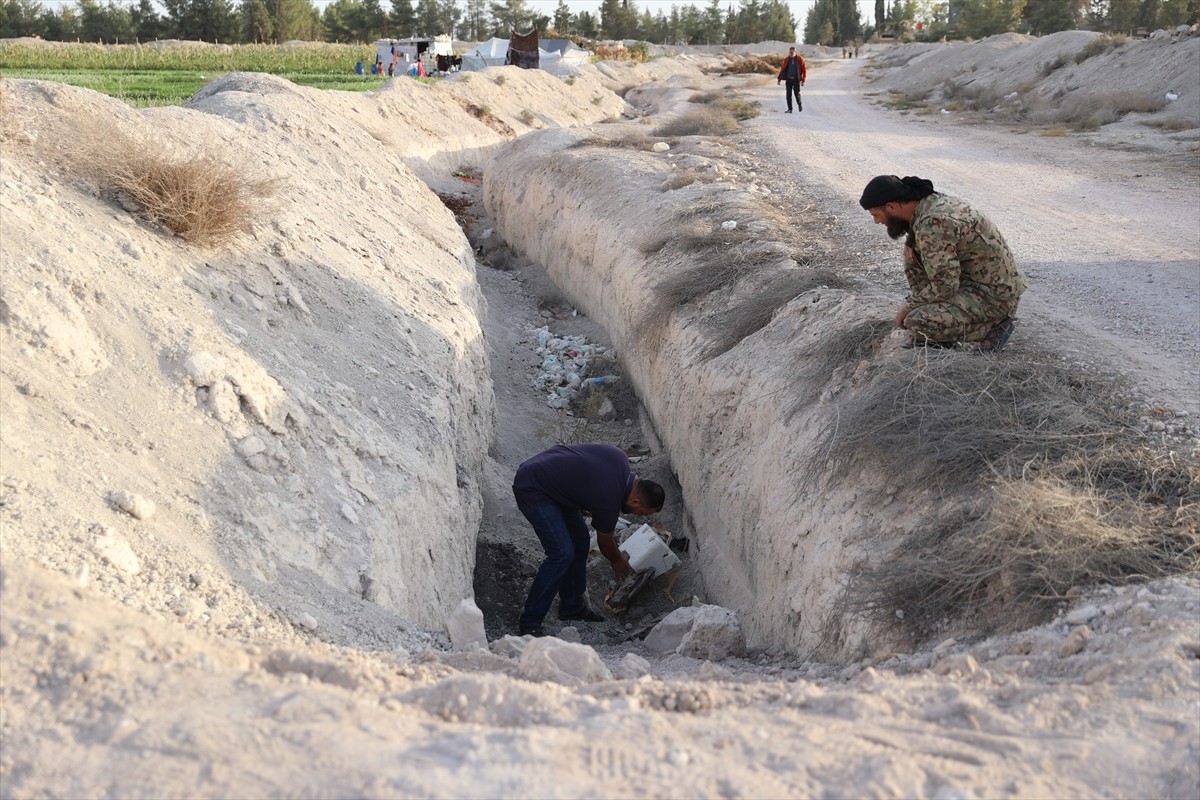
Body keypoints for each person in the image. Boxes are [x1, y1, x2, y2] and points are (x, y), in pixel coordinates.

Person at [859, 175, 1027, 352]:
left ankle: (993, 327)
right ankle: (942, 326)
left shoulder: (933, 223)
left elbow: (945, 285)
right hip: (984, 285)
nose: (876, 221)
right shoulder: (928, 204)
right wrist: (912, 241)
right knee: (911, 254)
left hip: (994, 297)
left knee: (917, 322)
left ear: (891, 207)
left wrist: (908, 306)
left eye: (876, 215)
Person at [512, 443, 665, 637]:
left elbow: (582, 464)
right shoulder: (609, 499)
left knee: (581, 542)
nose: (639, 516)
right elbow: (605, 543)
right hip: (533, 487)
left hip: (549, 480)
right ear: (635, 501)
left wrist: (581, 497)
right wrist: (618, 561)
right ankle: (530, 624)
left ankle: (572, 607)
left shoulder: (620, 458)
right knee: (561, 554)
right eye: (642, 513)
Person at [777, 46, 806, 113]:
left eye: (792, 52)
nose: (791, 53)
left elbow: (804, 70)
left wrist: (803, 80)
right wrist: (779, 79)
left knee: (796, 93)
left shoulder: (800, 59)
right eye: (790, 52)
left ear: (795, 52)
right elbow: (782, 69)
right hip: (788, 79)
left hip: (796, 79)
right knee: (788, 95)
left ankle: (799, 104)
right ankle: (790, 109)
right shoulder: (787, 59)